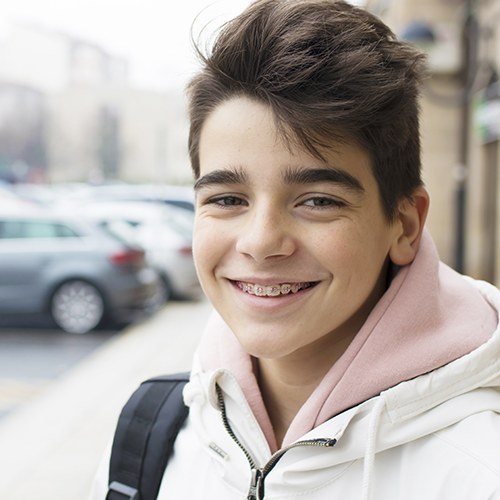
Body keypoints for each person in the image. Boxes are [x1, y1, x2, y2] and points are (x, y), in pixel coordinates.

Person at [91, 0, 500, 498]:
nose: (261, 241)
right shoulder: (149, 438)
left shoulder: (479, 470)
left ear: (405, 226)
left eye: (317, 201)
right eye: (226, 199)